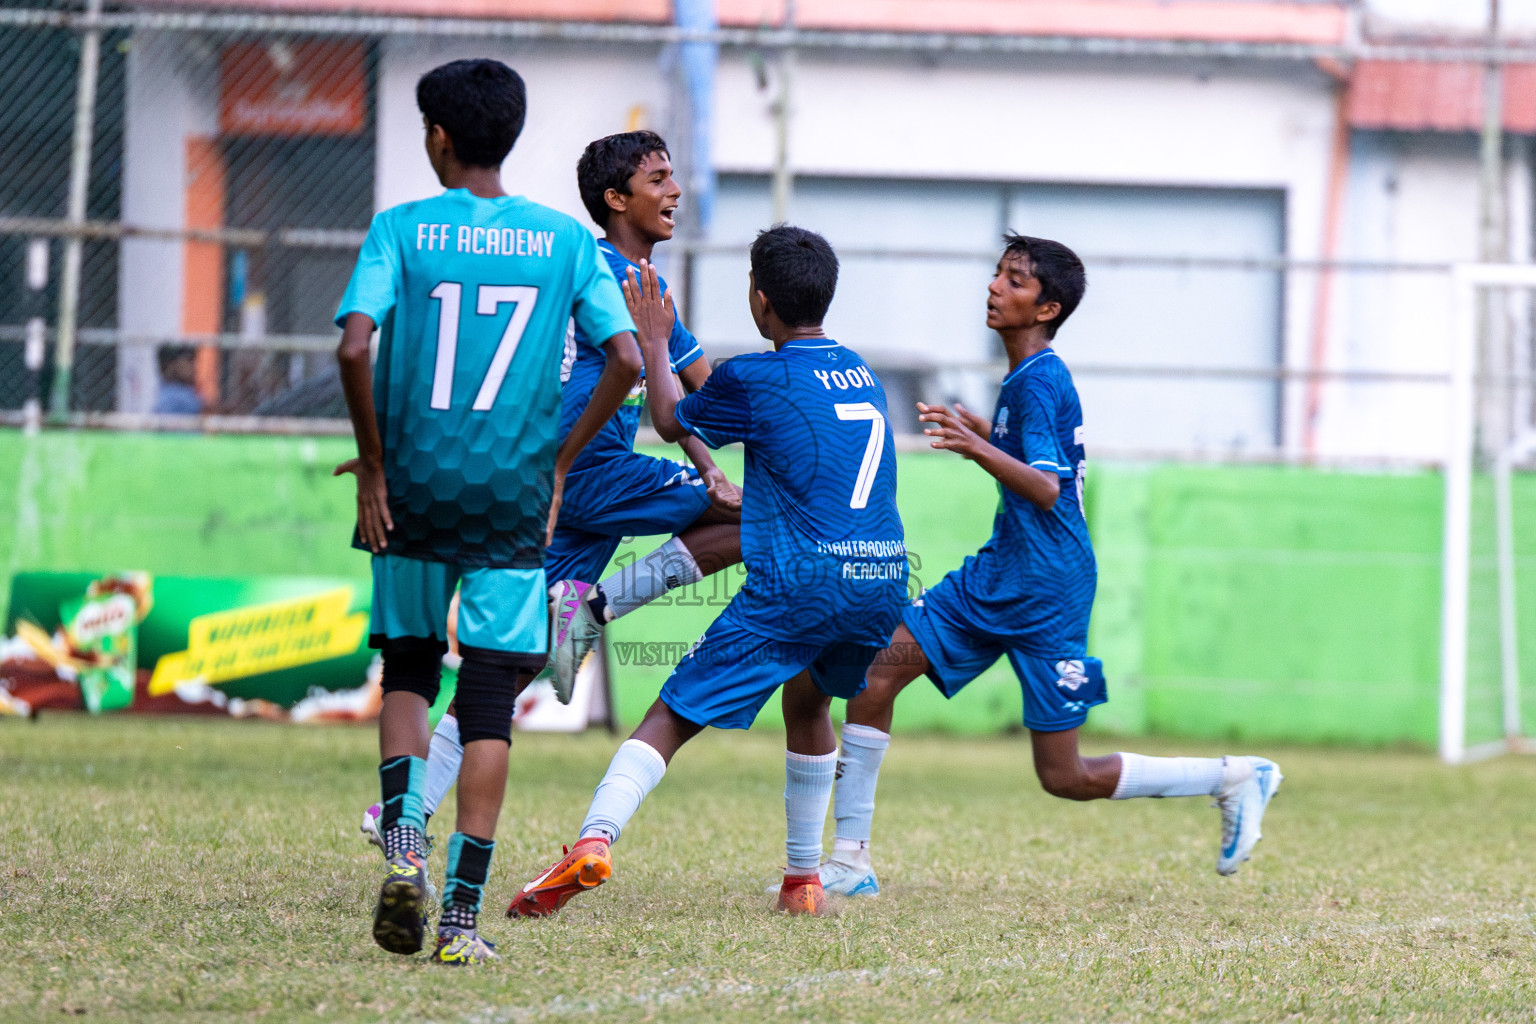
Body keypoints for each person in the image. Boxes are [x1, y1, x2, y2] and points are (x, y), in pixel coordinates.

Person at [803, 234, 1282, 898]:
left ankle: (1232, 777)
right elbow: (1037, 464)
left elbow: (1049, 487)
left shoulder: (1040, 381)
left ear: (1047, 307)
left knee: (1065, 776)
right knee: (874, 680)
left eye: (1016, 281)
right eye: (997, 275)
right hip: (1000, 574)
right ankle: (851, 863)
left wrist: (976, 446)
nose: (996, 287)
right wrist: (985, 432)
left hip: (1049, 588)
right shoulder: (1024, 379)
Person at [356, 130, 744, 852]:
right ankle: (599, 610)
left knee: (514, 665)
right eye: (657, 179)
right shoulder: (595, 268)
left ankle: (400, 812)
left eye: (672, 176)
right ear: (616, 198)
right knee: (759, 521)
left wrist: (708, 456)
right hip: (585, 472)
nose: (674, 191)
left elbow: (691, 396)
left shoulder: (650, 286)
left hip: (563, 494)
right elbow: (643, 369)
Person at [334, 58, 641, 965]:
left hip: (414, 484)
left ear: (437, 136)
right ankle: (462, 925)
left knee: (408, 672)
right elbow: (623, 357)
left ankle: (402, 850)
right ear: (507, 135)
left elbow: (356, 345)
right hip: (510, 493)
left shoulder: (401, 228)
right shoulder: (564, 242)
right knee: (489, 701)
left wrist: (376, 461)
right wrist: (555, 466)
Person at [509, 226, 907, 919]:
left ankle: (593, 840)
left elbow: (666, 418)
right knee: (809, 701)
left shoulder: (756, 374)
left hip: (799, 581)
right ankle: (802, 880)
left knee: (672, 713)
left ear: (760, 301)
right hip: (880, 577)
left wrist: (656, 342)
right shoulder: (861, 371)